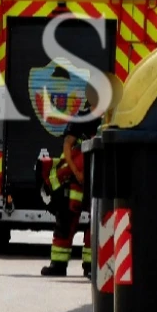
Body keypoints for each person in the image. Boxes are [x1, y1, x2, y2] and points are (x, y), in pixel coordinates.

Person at [41, 81, 103, 278]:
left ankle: (91, 266)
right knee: (66, 222)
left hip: (99, 180)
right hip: (78, 181)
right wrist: (76, 172)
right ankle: (58, 265)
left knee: (96, 224)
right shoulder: (82, 118)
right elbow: (67, 146)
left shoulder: (110, 119)